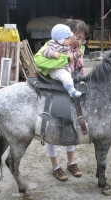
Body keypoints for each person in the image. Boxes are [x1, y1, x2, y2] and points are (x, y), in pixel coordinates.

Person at [34, 19, 89, 181]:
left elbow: (80, 66)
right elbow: (39, 60)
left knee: (71, 123)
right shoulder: (51, 45)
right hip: (54, 87)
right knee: (53, 124)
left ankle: (71, 162)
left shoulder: (80, 48)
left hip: (73, 84)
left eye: (82, 38)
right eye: (77, 37)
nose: (79, 42)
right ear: (69, 35)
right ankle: (55, 166)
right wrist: (66, 59)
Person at [41, 23, 81, 98]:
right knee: (65, 77)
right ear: (60, 39)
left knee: (70, 76)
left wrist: (77, 54)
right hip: (56, 69)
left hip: (65, 69)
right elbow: (44, 52)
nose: (70, 40)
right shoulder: (52, 45)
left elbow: (71, 58)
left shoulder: (66, 47)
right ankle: (71, 90)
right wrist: (53, 54)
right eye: (67, 38)